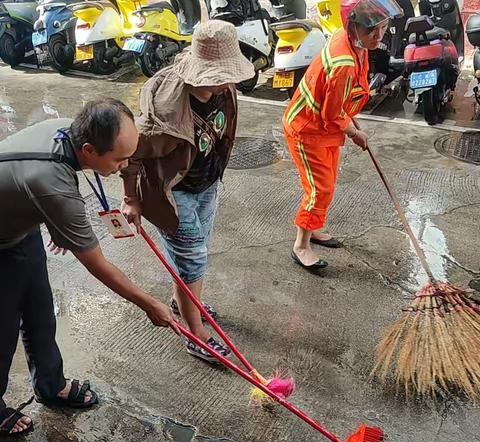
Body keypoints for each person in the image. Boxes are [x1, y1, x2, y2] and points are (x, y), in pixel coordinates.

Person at [0, 99, 179, 436]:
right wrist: (149, 305)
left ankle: (51, 384)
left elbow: (35, 187)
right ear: (89, 150)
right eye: (118, 159)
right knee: (2, 329)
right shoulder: (53, 184)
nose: (125, 165)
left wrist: (56, 225)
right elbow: (97, 265)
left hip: (16, 225)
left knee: (40, 311)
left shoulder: (73, 127)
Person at [121, 20, 255, 363]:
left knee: (193, 256)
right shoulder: (164, 114)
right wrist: (130, 199)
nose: (232, 80)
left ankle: (183, 301)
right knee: (193, 259)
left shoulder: (224, 90)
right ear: (205, 75)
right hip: (173, 192)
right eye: (225, 73)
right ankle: (197, 335)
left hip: (206, 183)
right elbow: (132, 155)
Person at [283, 0, 403, 274]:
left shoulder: (351, 40)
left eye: (383, 29)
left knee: (326, 183)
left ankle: (312, 228)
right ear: (355, 26)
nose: (379, 36)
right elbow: (331, 114)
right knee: (319, 188)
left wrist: (348, 114)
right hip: (307, 129)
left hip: (324, 129)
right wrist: (355, 133)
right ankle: (301, 244)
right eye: (373, 30)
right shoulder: (344, 63)